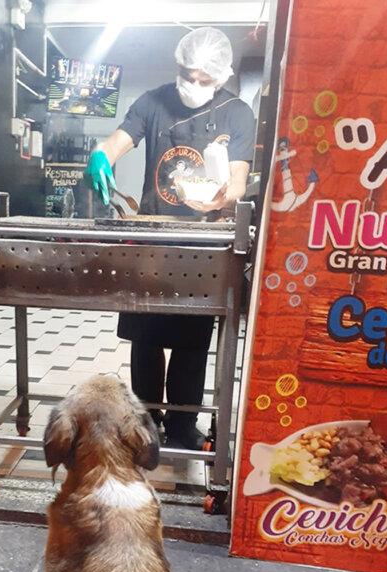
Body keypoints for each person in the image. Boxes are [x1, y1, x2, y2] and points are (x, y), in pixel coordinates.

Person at [85, 27, 255, 450]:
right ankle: (145, 422)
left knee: (192, 341)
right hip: (151, 236)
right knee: (145, 337)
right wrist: (101, 156)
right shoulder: (152, 102)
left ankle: (182, 426)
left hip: (203, 242)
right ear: (177, 67)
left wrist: (220, 197)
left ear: (220, 77)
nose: (193, 86)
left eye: (204, 80)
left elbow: (237, 180)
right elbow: (118, 141)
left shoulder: (237, 113)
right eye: (187, 75)